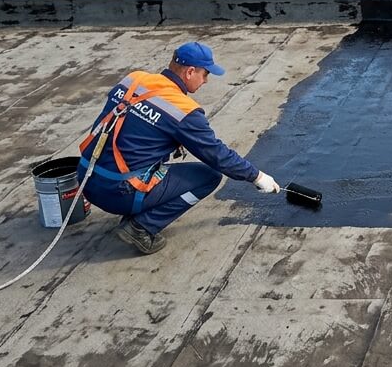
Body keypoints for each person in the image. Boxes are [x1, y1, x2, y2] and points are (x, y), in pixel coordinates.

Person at [79, 42, 281, 255]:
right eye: (205, 74)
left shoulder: (134, 79)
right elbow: (218, 156)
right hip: (118, 193)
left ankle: (133, 204)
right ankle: (141, 227)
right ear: (190, 71)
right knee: (209, 176)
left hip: (86, 178)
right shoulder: (183, 111)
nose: (205, 81)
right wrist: (257, 177)